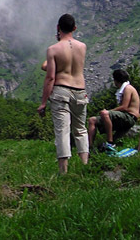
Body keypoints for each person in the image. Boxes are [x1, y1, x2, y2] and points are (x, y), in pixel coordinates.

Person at [37, 14, 89, 174]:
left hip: (61, 90)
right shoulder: (82, 46)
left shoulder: (53, 49)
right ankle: (84, 165)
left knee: (62, 130)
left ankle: (63, 170)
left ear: (58, 28)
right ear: (74, 28)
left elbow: (50, 76)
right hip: (80, 91)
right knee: (80, 129)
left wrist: (43, 102)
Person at [88, 69, 140, 151]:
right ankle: (90, 147)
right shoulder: (123, 89)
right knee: (92, 120)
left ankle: (110, 142)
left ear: (116, 80)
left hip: (130, 116)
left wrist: (108, 111)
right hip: (124, 115)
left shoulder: (128, 88)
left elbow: (124, 107)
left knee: (105, 113)